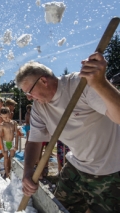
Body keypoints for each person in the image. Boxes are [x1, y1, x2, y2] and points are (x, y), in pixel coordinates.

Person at [16, 53, 120, 212]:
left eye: (29, 92)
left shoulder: (81, 85)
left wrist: (101, 84)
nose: (29, 98)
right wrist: (28, 170)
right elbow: (35, 141)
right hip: (76, 166)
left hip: (110, 169)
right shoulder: (39, 107)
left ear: (43, 81)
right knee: (60, 208)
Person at [0, 107, 19, 179]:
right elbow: (0, 136)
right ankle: (7, 173)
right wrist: (2, 148)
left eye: (7, 117)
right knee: (5, 158)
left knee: (12, 158)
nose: (5, 119)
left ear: (10, 114)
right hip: (5, 142)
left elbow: (16, 134)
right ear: (1, 117)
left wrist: (16, 144)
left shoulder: (14, 123)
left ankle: (11, 171)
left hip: (12, 142)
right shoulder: (2, 125)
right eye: (4, 118)